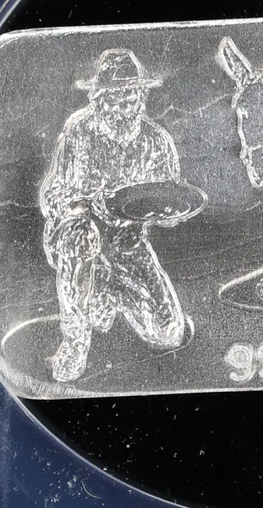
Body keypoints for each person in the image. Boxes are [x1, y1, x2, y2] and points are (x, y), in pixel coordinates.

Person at [39, 48, 191, 383]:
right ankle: (76, 339)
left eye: (131, 98)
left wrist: (169, 215)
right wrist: (78, 209)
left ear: (141, 99)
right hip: (82, 233)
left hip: (127, 242)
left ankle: (109, 290)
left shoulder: (156, 142)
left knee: (168, 332)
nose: (125, 107)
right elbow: (54, 193)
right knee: (80, 238)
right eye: (116, 99)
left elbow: (168, 199)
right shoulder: (79, 132)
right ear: (99, 100)